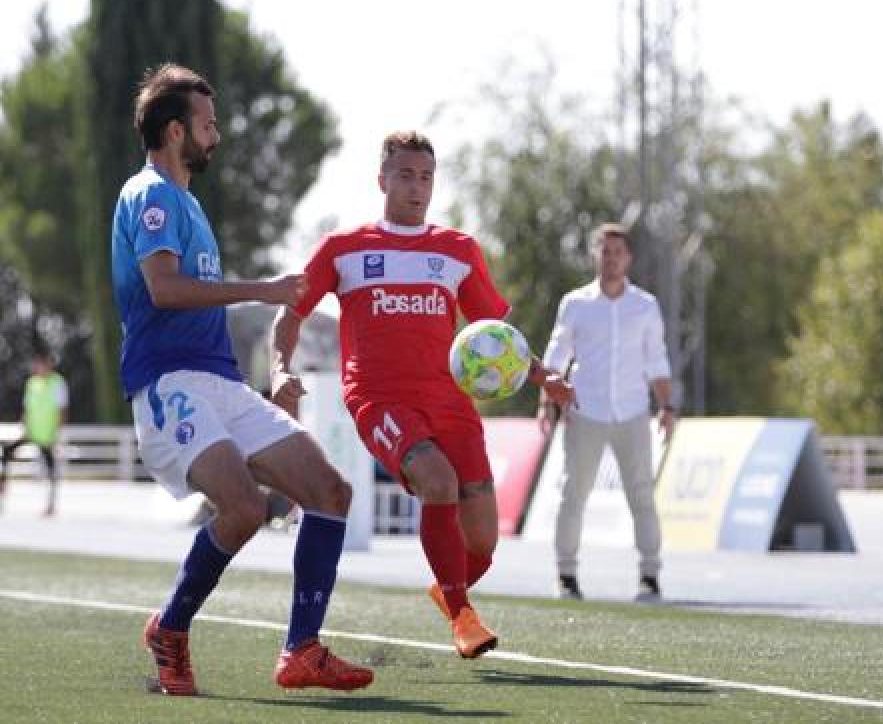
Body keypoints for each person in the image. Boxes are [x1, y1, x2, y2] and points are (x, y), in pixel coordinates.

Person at [111, 63, 372, 696]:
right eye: (207, 123)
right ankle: (172, 627)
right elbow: (165, 289)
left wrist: (269, 376)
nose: (216, 135)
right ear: (176, 132)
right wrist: (265, 289)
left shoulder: (188, 203)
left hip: (220, 383)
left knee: (330, 492)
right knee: (246, 509)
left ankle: (301, 652)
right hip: (169, 385)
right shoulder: (149, 195)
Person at [270, 130, 575, 660]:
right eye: (406, 175)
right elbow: (290, 311)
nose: (417, 187)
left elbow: (496, 339)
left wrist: (541, 376)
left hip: (450, 402)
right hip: (379, 399)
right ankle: (462, 615)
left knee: (481, 542)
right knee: (439, 482)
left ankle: (449, 585)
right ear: (382, 179)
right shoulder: (344, 249)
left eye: (427, 177)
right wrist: (279, 371)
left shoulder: (457, 250)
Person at [538, 222, 674, 601]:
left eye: (618, 252)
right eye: (604, 250)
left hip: (632, 412)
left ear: (628, 258)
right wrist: (545, 401)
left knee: (642, 495)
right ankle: (566, 575)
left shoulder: (644, 305)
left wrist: (667, 406)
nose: (611, 258)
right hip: (585, 410)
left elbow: (657, 360)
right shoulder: (575, 303)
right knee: (573, 494)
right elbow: (556, 355)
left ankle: (650, 576)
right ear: (594, 255)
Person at [0, 349, 67, 517]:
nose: (40, 367)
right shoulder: (32, 383)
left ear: (49, 364)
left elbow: (62, 411)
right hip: (31, 432)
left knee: (51, 469)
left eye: (43, 363)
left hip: (47, 435)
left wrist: (57, 435)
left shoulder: (57, 383)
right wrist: (24, 425)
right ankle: (1, 488)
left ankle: (51, 505)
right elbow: (27, 408)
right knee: (6, 451)